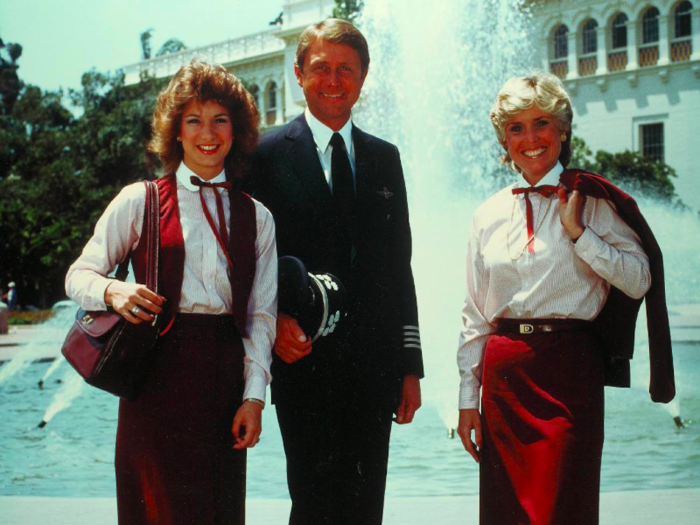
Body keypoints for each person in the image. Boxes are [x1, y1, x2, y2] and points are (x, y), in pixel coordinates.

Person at [457, 71, 674, 524]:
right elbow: (475, 316)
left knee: (563, 509)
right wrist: (466, 400)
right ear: (503, 138)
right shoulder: (486, 214)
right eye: (516, 127)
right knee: (507, 514)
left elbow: (640, 280)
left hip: (568, 371)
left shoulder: (593, 200)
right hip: (505, 379)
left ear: (562, 129)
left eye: (541, 123)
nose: (530, 138)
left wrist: (580, 235)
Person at [66, 60, 277, 525]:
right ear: (176, 130)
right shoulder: (138, 199)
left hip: (224, 382)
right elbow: (78, 276)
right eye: (194, 119)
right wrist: (113, 291)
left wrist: (254, 397)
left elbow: (261, 316)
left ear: (236, 129)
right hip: (154, 377)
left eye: (220, 119)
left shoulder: (258, 217)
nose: (208, 132)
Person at [248, 18, 424, 525]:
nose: (333, 81)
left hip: (374, 364)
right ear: (299, 73)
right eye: (321, 68)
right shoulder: (263, 155)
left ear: (364, 77)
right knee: (313, 498)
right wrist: (275, 320)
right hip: (302, 358)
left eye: (346, 69)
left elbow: (399, 265)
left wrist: (409, 363)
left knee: (367, 505)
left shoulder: (384, 158)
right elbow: (249, 260)